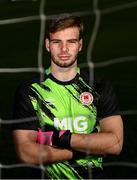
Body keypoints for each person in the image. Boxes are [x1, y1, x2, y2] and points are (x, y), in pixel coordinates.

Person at [12, 14, 123, 179]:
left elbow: (115, 144)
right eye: (57, 42)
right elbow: (26, 153)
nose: (64, 49)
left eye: (71, 42)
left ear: (80, 45)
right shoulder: (30, 90)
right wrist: (83, 150)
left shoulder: (99, 86)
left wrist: (56, 138)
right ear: (48, 45)